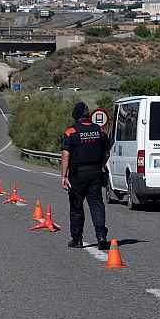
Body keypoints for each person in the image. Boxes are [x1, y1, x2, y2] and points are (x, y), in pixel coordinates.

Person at [61, 102, 110, 250]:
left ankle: (77, 239)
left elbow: (65, 155)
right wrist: (99, 166)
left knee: (76, 207)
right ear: (88, 115)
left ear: (76, 116)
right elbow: (107, 153)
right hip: (95, 172)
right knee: (96, 204)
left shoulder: (71, 132)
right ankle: (101, 237)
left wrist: (64, 176)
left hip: (77, 174)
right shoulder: (100, 130)